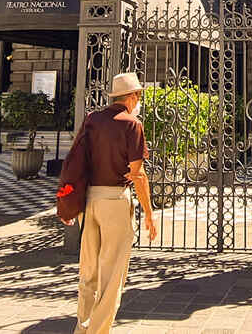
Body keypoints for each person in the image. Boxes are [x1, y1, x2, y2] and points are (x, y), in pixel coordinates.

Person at [58, 72, 157, 334]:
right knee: (113, 276)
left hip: (89, 200)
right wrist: (149, 212)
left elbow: (77, 158)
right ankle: (99, 331)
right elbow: (138, 174)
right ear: (133, 97)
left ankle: (82, 327)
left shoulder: (92, 120)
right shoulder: (131, 124)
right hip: (114, 201)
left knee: (88, 270)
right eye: (138, 96)